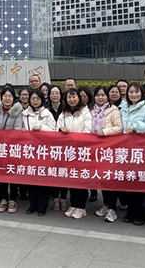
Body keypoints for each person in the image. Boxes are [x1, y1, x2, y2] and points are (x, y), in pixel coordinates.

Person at [121, 82, 145, 225]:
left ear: (141, 94)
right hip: (125, 151)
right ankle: (131, 211)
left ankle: (142, 213)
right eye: (131, 92)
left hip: (141, 151)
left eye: (136, 92)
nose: (133, 94)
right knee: (129, 182)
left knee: (141, 183)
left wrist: (136, 126)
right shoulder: (122, 109)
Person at [58, 88, 92, 219]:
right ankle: (73, 204)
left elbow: (88, 130)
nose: (72, 100)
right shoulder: (63, 114)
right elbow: (57, 128)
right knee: (71, 178)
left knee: (81, 179)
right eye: (69, 97)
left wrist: (75, 138)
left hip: (82, 151)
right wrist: (60, 129)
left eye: (74, 97)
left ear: (79, 98)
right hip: (68, 152)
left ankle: (81, 207)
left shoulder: (85, 112)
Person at [22, 89, 56, 216]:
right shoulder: (25, 113)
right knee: (31, 179)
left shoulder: (47, 113)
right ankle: (33, 205)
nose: (35, 101)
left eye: (37, 98)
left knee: (42, 180)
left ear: (42, 100)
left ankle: (42, 206)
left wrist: (41, 128)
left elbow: (53, 130)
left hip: (43, 151)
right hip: (30, 150)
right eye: (33, 98)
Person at [92, 86, 123, 222]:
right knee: (102, 179)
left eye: (103, 95)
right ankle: (106, 205)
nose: (100, 97)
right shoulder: (91, 111)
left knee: (110, 179)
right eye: (98, 95)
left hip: (110, 149)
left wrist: (105, 132)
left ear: (107, 97)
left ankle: (112, 209)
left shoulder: (113, 110)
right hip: (96, 150)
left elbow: (119, 128)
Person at [0, 86, 23, 213]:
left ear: (13, 98)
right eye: (5, 96)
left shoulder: (18, 111)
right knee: (1, 173)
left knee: (12, 173)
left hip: (12, 147)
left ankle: (13, 200)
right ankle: (3, 199)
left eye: (10, 96)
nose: (7, 98)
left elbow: (17, 130)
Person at [46, 85, 67, 212]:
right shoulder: (45, 109)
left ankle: (63, 198)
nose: (54, 95)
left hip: (64, 145)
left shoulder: (66, 108)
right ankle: (55, 198)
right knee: (53, 172)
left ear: (60, 95)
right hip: (50, 145)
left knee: (63, 172)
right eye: (52, 93)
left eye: (57, 93)